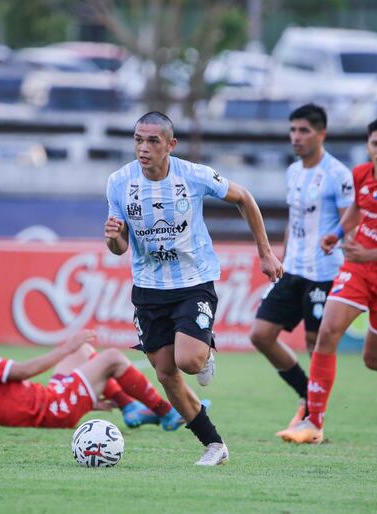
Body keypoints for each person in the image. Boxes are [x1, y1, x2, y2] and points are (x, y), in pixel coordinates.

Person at [104, 111, 283, 465]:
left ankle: (203, 353)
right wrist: (113, 238)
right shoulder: (118, 182)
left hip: (193, 281)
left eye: (153, 141)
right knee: (165, 373)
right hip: (148, 288)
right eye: (138, 139)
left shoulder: (194, 175)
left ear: (171, 145)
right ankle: (214, 445)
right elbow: (120, 247)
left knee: (188, 361)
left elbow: (244, 197)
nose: (143, 148)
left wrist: (265, 253)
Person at [277, 116, 377, 445]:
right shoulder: (360, 174)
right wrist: (336, 234)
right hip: (358, 270)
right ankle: (313, 423)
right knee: (327, 334)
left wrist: (371, 255)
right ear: (368, 146)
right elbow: (358, 209)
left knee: (373, 359)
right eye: (375, 143)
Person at [248, 103, 353, 436]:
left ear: (321, 134)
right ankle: (308, 396)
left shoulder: (339, 175)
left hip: (325, 272)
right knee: (261, 335)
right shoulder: (293, 172)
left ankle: (315, 421)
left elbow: (351, 222)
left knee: (315, 342)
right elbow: (295, 222)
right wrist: (280, 256)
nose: (296, 136)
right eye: (293, 130)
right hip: (293, 268)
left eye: (304, 130)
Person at [0, 310, 186, 431]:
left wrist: (89, 402)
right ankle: (166, 413)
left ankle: (130, 408)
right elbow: (23, 371)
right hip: (50, 409)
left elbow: (7, 403)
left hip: (46, 402)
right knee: (111, 357)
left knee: (84, 351)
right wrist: (66, 347)